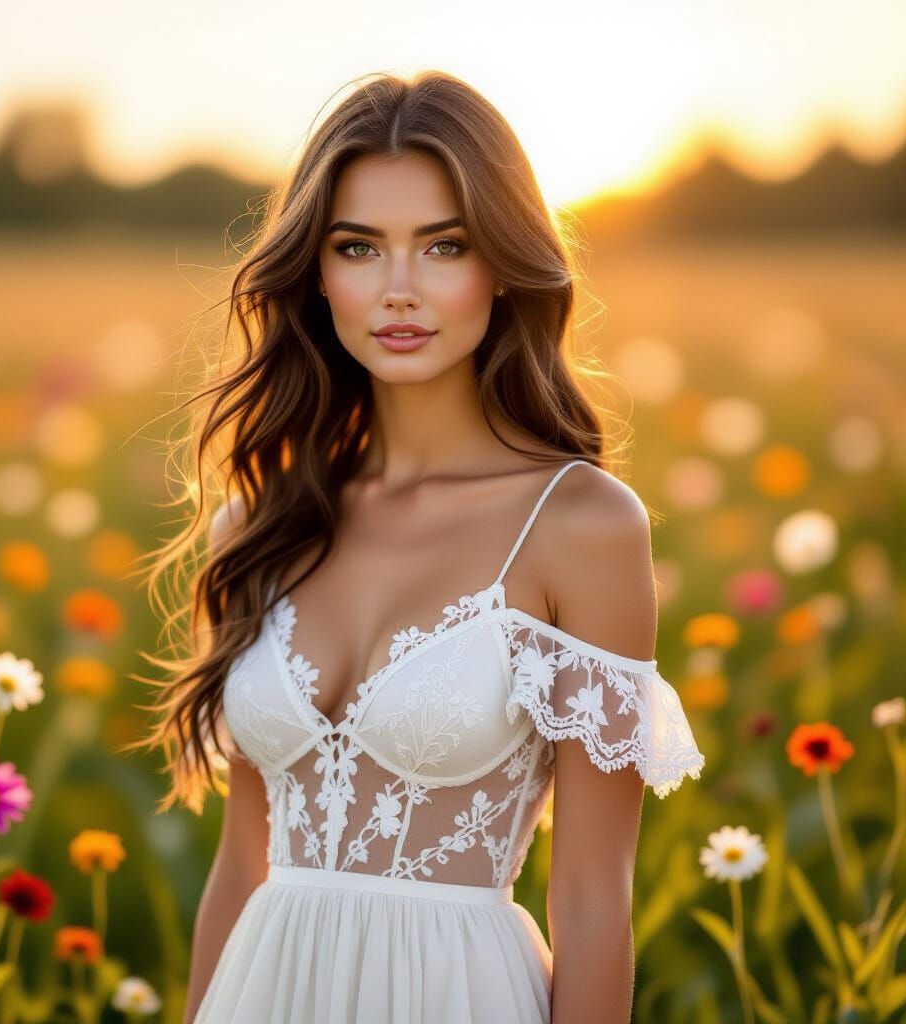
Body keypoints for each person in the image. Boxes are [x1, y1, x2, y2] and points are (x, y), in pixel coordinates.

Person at [134, 70, 705, 1024]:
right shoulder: (259, 525)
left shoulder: (581, 526)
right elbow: (242, 863)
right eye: (359, 247)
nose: (399, 290)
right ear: (317, 273)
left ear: (506, 266)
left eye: (445, 246)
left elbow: (594, 903)